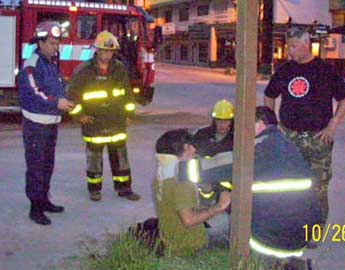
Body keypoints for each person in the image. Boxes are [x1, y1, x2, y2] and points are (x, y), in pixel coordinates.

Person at [187, 107, 321, 269]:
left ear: (259, 124)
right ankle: (292, 264)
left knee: (215, 230)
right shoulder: (287, 146)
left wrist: (172, 167)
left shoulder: (257, 150)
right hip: (301, 233)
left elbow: (208, 168)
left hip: (269, 236)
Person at [263, 26, 345, 226]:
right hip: (289, 137)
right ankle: (290, 224)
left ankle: (314, 229)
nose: (290, 51)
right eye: (289, 47)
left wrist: (332, 125)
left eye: (294, 46)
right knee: (288, 183)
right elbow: (269, 96)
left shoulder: (325, 70)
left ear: (306, 44)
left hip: (317, 139)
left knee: (318, 187)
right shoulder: (285, 70)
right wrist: (273, 126)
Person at [67, 31, 140, 202]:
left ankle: (124, 188)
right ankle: (94, 189)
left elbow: (127, 94)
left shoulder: (119, 69)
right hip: (94, 122)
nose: (108, 54)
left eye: (111, 51)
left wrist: (129, 113)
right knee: (94, 158)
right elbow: (72, 95)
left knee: (121, 157)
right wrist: (79, 115)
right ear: (97, 50)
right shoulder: (84, 70)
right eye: (105, 51)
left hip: (116, 121)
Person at [18, 21, 75, 225]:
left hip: (51, 123)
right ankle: (35, 207)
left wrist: (67, 98)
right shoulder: (32, 64)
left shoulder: (50, 62)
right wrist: (56, 102)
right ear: (40, 42)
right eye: (51, 43)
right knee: (36, 166)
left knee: (47, 164)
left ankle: (44, 200)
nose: (55, 47)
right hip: (36, 125)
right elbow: (34, 93)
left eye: (56, 43)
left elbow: (58, 87)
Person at [153, 129, 231, 257]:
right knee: (228, 222)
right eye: (190, 146)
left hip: (171, 237)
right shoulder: (182, 181)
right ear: (185, 148)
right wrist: (219, 206)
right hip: (190, 245)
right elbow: (188, 220)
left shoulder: (161, 173)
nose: (194, 150)